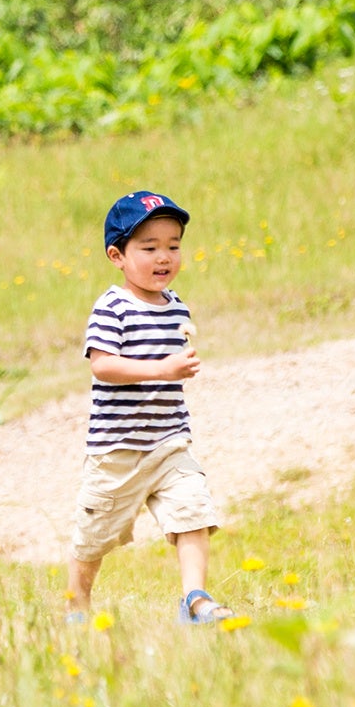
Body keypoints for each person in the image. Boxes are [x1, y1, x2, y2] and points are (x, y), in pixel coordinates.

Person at [67, 191, 234, 625]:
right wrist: (164, 369)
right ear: (116, 255)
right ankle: (77, 608)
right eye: (149, 247)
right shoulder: (112, 307)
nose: (165, 257)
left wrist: (178, 369)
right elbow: (103, 366)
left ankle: (195, 600)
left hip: (168, 442)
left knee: (193, 510)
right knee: (91, 540)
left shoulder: (176, 306)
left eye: (173, 245)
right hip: (117, 451)